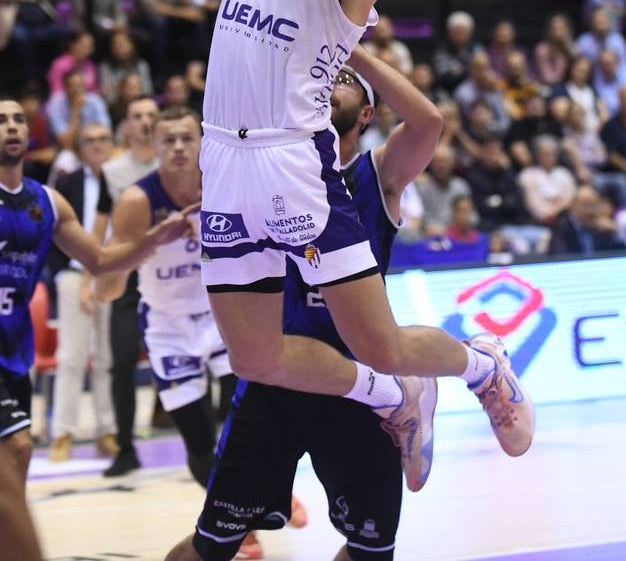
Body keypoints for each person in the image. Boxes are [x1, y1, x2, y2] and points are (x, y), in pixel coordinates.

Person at [151, 0, 534, 502]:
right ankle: (392, 397)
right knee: (257, 356)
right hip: (225, 155)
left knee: (381, 338)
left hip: (296, 161)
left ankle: (483, 365)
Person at [166, 45, 443, 561]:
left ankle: (445, 376)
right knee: (213, 544)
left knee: (370, 548)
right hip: (277, 382)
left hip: (360, 390)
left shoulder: (375, 176)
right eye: (324, 75)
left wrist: (349, 49)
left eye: (341, 80)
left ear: (366, 113)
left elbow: (428, 122)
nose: (328, 80)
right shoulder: (268, 171)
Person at [96, 106, 265, 560]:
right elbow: (106, 283)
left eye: (186, 139)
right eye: (167, 140)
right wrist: (153, 239)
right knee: (197, 440)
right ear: (152, 146)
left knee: (244, 426)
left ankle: (245, 514)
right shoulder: (137, 200)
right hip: (169, 327)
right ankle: (238, 517)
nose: (177, 148)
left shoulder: (225, 183)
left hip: (222, 318)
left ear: (201, 141)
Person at [0, 99, 197, 489]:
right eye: (2, 120)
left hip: (13, 353)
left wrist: (153, 240)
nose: (12, 127)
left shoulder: (48, 203)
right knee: (20, 446)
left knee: (13, 470)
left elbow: (103, 261)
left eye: (19, 120)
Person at [94, 95, 159, 477]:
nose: (145, 121)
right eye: (137, 115)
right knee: (120, 362)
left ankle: (211, 442)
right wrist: (92, 276)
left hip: (174, 274)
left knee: (204, 358)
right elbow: (99, 227)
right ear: (126, 126)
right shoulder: (113, 170)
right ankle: (125, 446)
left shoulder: (177, 161)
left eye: (152, 114)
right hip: (128, 276)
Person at [47, 123, 117, 462]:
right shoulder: (67, 182)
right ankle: (63, 433)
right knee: (71, 358)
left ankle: (108, 431)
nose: (97, 146)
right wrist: (65, 271)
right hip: (75, 276)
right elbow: (52, 230)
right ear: (79, 146)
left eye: (103, 139)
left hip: (114, 277)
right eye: (89, 140)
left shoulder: (121, 179)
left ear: (112, 142)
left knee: (108, 359)